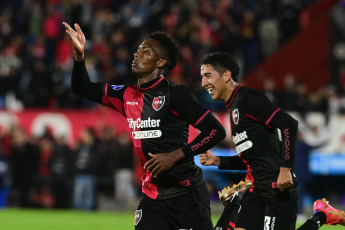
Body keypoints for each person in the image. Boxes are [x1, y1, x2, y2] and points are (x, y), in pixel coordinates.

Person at [62, 22, 226, 229]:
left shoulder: (177, 95)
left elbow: (216, 131)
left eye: (146, 51)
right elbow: (81, 88)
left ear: (160, 62)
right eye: (138, 50)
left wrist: (175, 155)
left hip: (187, 194)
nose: (136, 55)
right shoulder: (125, 94)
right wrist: (79, 57)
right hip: (153, 196)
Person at [198, 52, 345, 230]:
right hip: (255, 189)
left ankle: (322, 216)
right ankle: (324, 215)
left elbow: (288, 123)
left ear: (227, 75)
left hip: (277, 187)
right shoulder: (234, 107)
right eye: (202, 77)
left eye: (208, 76)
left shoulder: (247, 98)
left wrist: (285, 169)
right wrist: (217, 161)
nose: (203, 83)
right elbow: (252, 158)